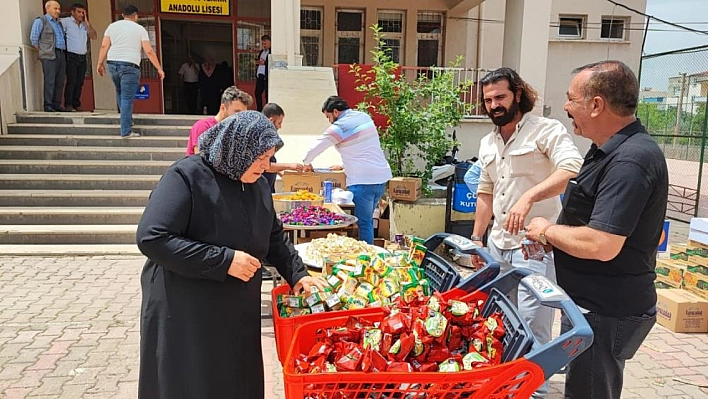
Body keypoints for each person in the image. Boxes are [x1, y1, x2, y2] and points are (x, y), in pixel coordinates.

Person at [137, 110, 327, 399]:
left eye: (269, 159)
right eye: (260, 158)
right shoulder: (186, 176)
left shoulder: (256, 183)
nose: (266, 166)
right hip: (185, 307)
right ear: (237, 148)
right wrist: (224, 260)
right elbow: (152, 237)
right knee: (189, 381)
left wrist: (298, 274)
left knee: (235, 378)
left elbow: (273, 234)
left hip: (235, 308)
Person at [524, 61, 668, 399]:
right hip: (594, 303)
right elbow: (592, 221)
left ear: (596, 104)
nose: (565, 107)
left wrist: (547, 231)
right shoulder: (608, 150)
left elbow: (602, 244)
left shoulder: (631, 160)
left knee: (589, 391)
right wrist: (555, 242)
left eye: (571, 98)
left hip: (608, 310)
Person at [470, 67, 583, 398]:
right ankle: (509, 381)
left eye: (501, 97)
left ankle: (536, 390)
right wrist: (477, 240)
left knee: (534, 322)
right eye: (488, 100)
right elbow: (485, 194)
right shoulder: (488, 141)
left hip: (533, 246)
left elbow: (571, 168)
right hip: (497, 244)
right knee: (501, 318)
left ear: (518, 94)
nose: (494, 105)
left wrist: (529, 197)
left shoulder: (546, 130)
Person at [303, 96, 392, 245]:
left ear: (336, 112)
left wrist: (306, 163)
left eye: (328, 116)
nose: (329, 120)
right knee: (368, 220)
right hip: (381, 178)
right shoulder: (363, 117)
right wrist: (344, 166)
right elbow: (364, 149)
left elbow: (317, 146)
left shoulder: (340, 126)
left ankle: (366, 260)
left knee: (363, 223)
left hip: (363, 182)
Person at [97, 5, 165, 138]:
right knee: (127, 98)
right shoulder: (140, 29)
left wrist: (99, 63)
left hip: (112, 63)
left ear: (123, 15)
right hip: (129, 65)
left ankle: (126, 120)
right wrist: (159, 68)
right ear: (136, 16)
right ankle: (126, 131)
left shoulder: (112, 26)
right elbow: (149, 51)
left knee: (120, 92)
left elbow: (104, 45)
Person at [185, 86, 252, 156]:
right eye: (237, 112)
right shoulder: (203, 126)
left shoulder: (237, 130)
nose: (241, 116)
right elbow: (200, 159)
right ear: (223, 108)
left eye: (244, 113)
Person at [30, 1, 67, 112]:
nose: (58, 11)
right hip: (49, 54)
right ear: (47, 9)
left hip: (61, 53)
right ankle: (48, 104)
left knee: (60, 80)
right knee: (50, 80)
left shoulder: (59, 23)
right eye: (55, 9)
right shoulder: (41, 21)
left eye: (59, 9)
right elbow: (34, 39)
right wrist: (43, 52)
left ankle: (56, 103)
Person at [60, 3, 96, 112]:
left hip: (82, 56)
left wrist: (87, 22)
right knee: (71, 81)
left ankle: (76, 103)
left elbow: (94, 36)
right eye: (79, 12)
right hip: (71, 55)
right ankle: (68, 104)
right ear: (72, 12)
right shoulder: (65, 22)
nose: (81, 14)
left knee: (80, 82)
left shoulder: (85, 25)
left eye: (83, 12)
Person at [261, 103, 304, 192]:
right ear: (271, 120)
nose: (280, 126)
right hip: (260, 189)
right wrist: (289, 166)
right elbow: (263, 165)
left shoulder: (269, 136)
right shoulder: (260, 138)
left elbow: (269, 162)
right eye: (279, 123)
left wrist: (279, 171)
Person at [254, 35, 270, 111]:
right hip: (259, 74)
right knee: (257, 93)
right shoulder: (261, 52)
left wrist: (265, 62)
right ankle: (259, 109)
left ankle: (267, 110)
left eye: (265, 43)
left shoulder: (271, 52)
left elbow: (271, 62)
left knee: (267, 94)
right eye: (263, 43)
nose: (264, 45)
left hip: (266, 76)